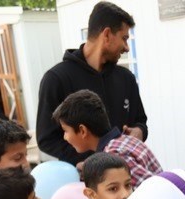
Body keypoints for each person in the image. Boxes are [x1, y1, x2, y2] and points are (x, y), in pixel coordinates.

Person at [36, 1, 146, 165]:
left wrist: (140, 131)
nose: (126, 48)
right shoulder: (56, 78)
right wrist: (88, 161)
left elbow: (140, 122)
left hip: (128, 178)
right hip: (85, 182)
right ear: (107, 34)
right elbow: (47, 139)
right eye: (124, 38)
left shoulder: (126, 78)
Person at [52, 89, 162, 188]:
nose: (65, 137)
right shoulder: (125, 140)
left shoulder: (114, 156)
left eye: (65, 131)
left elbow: (152, 191)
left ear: (82, 131)